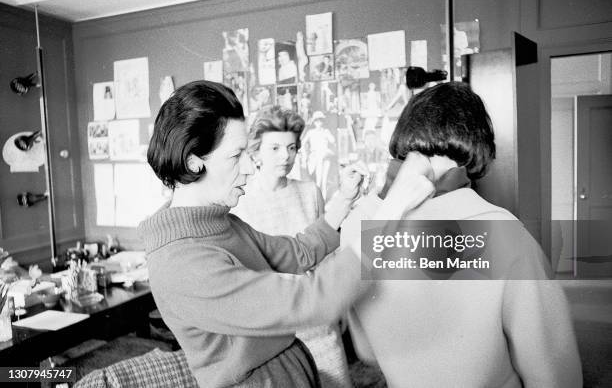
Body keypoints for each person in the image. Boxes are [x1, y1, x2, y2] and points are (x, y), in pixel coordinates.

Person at [138, 80, 437, 388]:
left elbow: (297, 253)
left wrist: (344, 203)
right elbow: (309, 299)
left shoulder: (216, 222)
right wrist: (392, 211)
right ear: (193, 161)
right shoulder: (182, 261)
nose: (250, 168)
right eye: (236, 155)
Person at [342, 81, 583, 388]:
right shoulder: (504, 236)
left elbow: (366, 349)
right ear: (476, 144)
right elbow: (555, 375)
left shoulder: (356, 224)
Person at [232, 106, 352, 388]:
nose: (285, 156)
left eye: (291, 148)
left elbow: (328, 257)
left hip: (318, 318)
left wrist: (340, 307)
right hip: (273, 326)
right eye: (274, 148)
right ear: (256, 151)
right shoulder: (241, 200)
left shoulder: (310, 192)